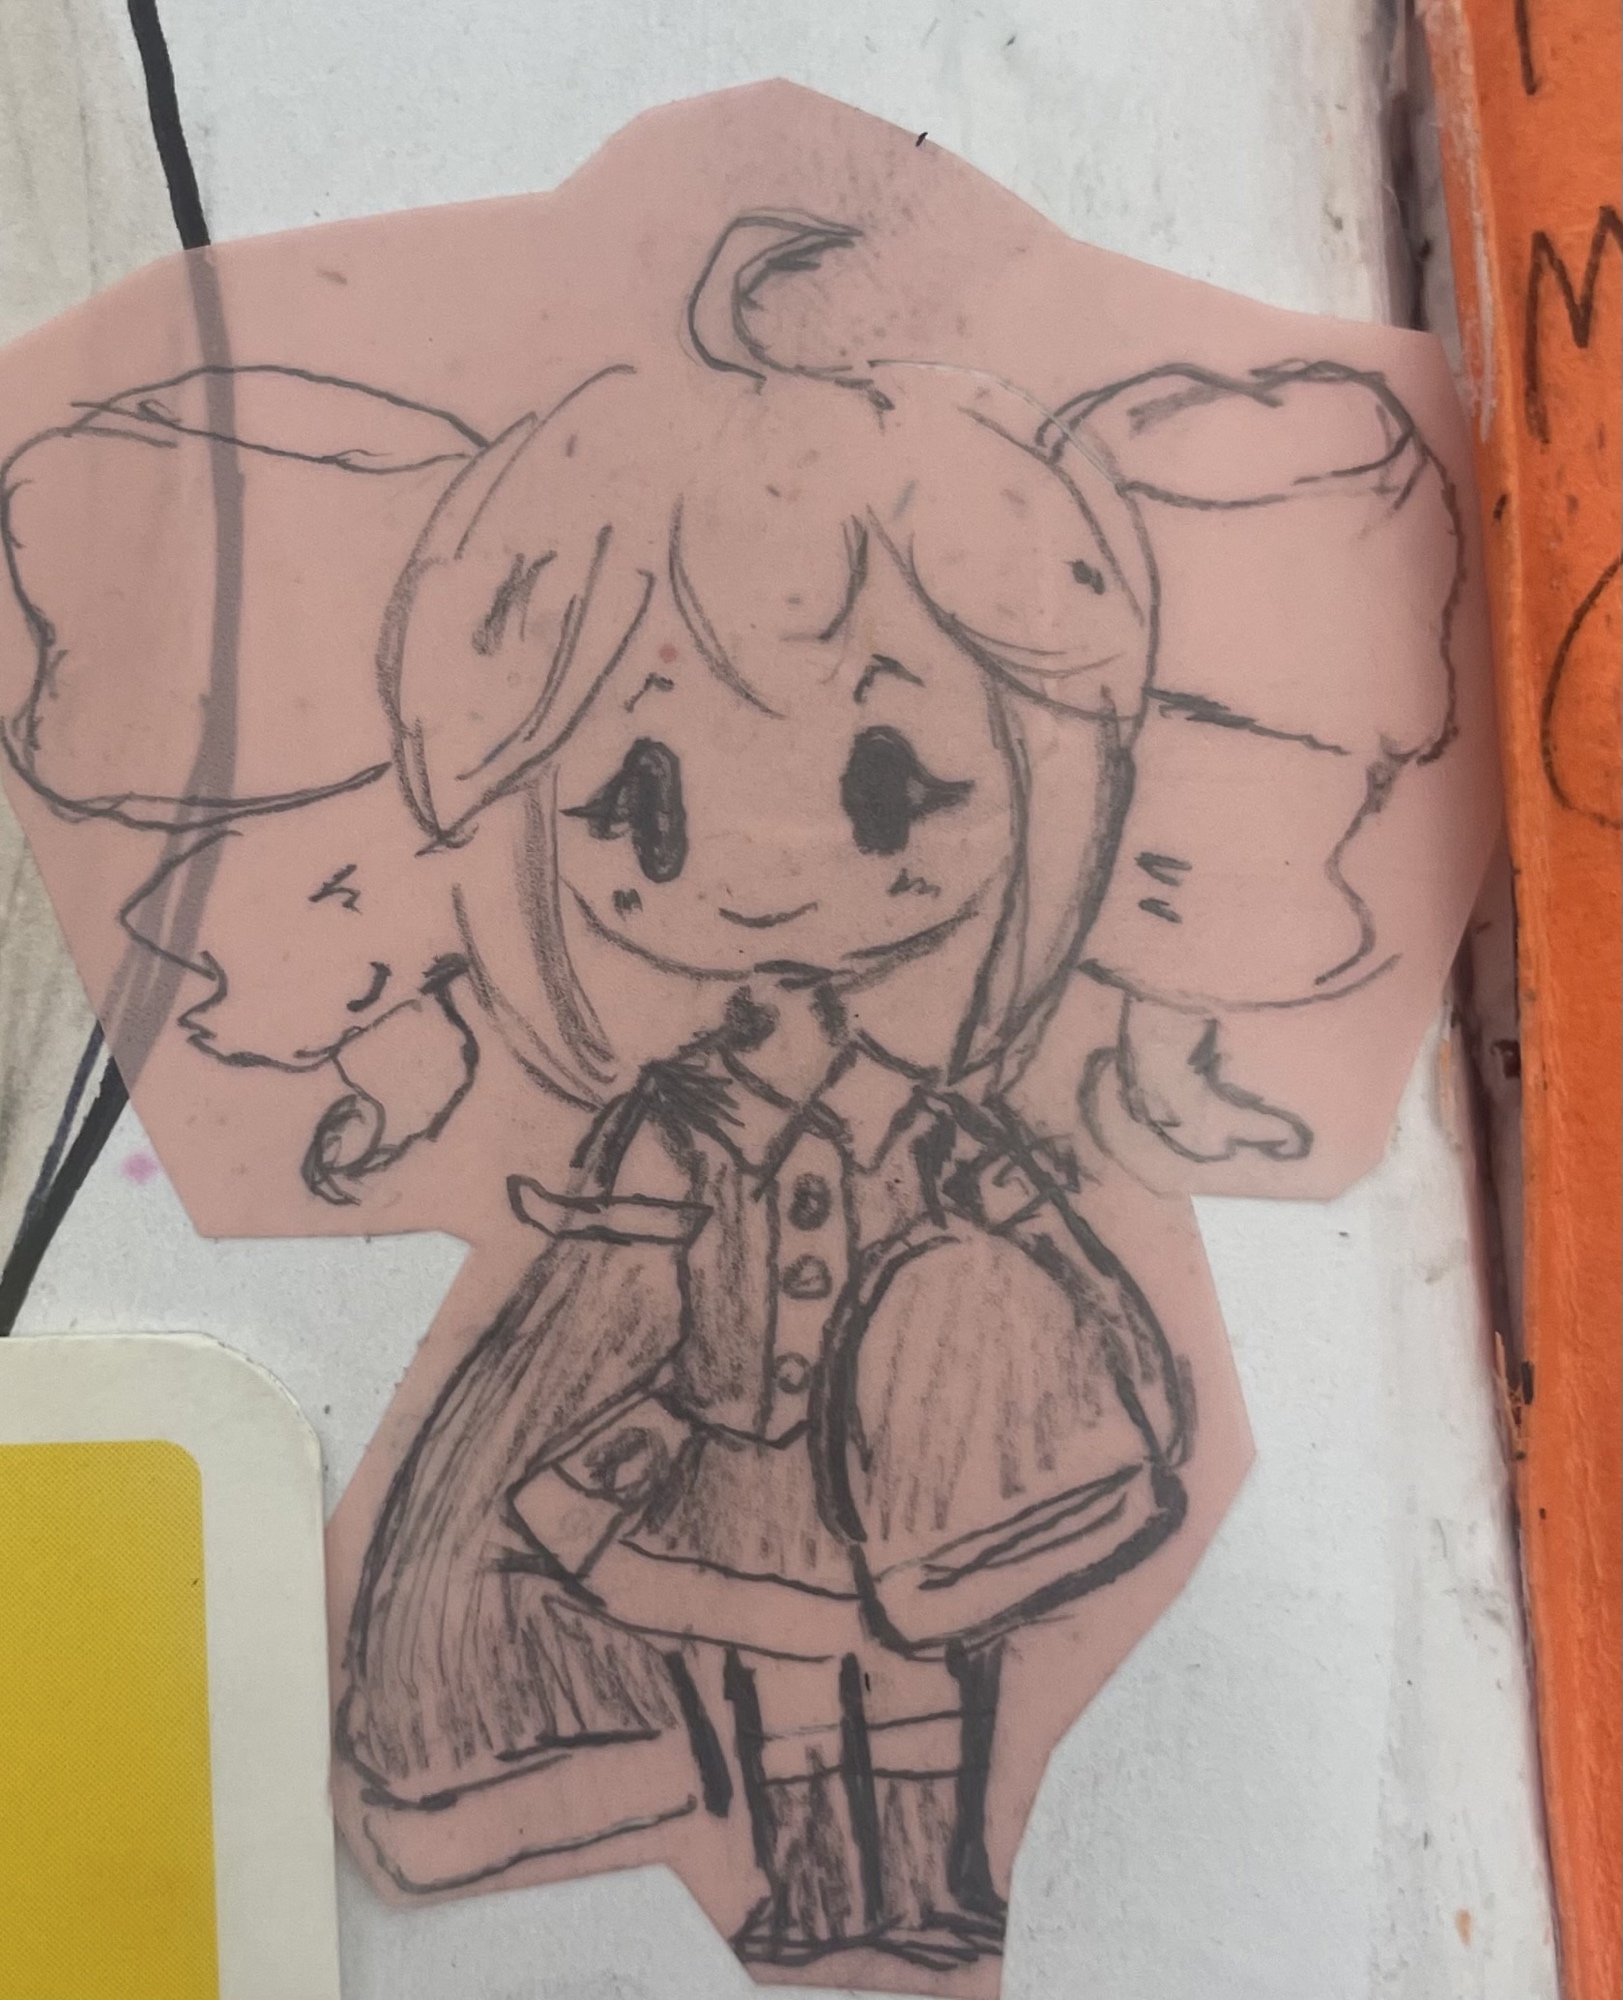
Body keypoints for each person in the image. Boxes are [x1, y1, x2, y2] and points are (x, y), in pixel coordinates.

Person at [336, 213, 1191, 1971]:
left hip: (914, 1467)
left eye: (891, 785)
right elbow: (598, 1301)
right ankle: (810, 1888)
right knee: (790, 1687)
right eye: (638, 806)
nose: (760, 874)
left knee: (924, 1669)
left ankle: (933, 1883)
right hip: (740, 1470)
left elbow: (1031, 1229)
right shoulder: (674, 1125)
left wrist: (1097, 1341)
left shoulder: (923, 1119)